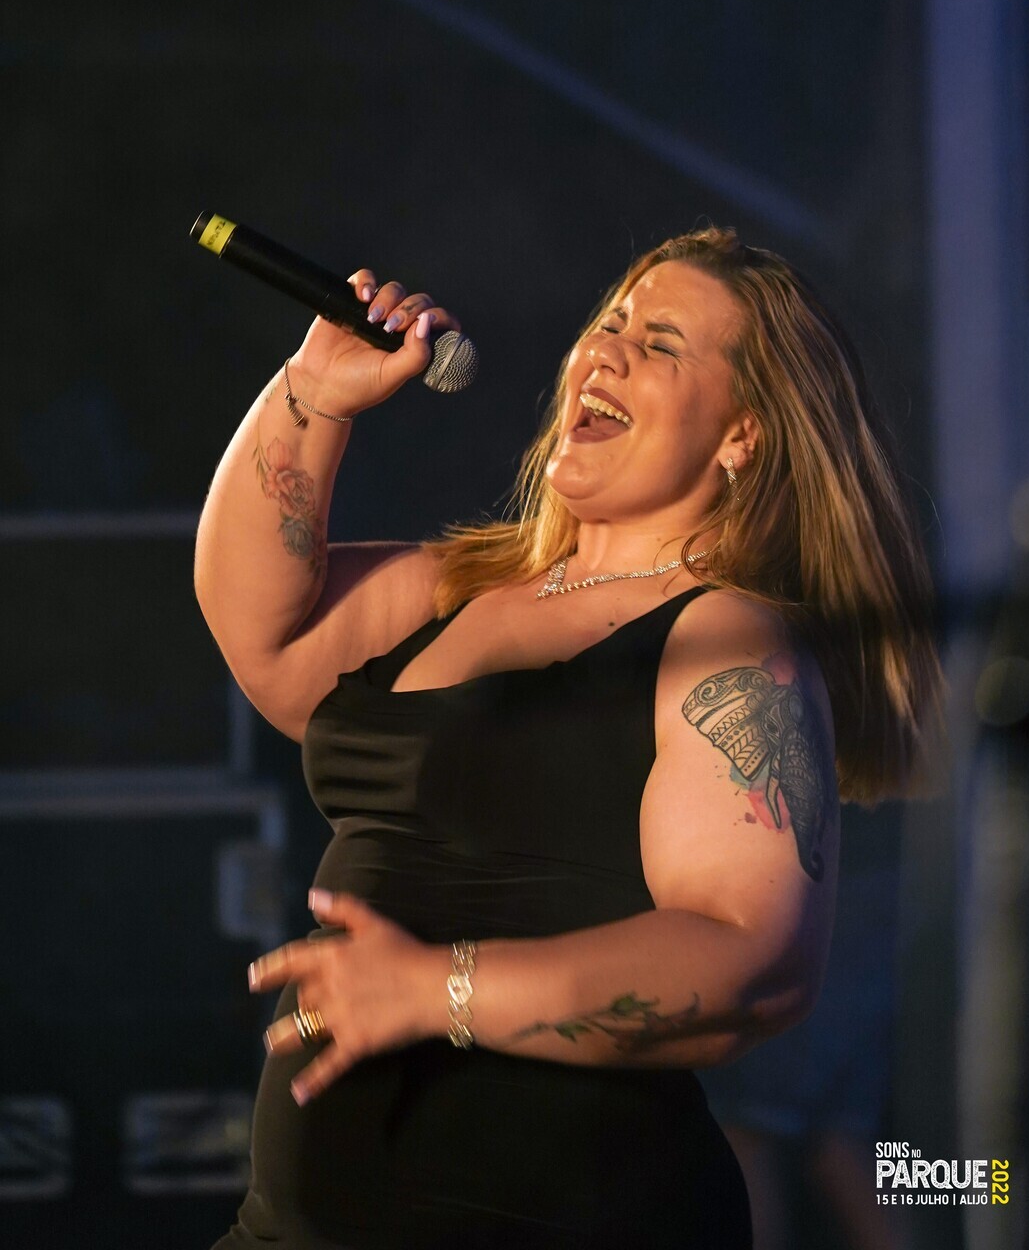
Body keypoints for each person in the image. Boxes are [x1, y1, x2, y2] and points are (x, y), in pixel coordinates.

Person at [195, 226, 942, 1249]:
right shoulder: (461, 586)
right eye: (612, 321)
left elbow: (751, 956)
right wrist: (315, 393)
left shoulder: (724, 637)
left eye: (661, 343)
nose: (607, 349)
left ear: (742, 437)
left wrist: (438, 989)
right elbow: (262, 631)